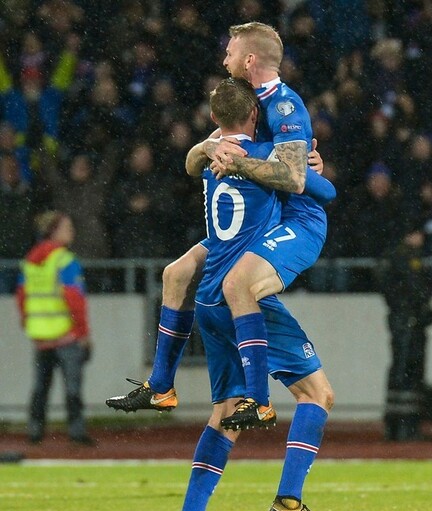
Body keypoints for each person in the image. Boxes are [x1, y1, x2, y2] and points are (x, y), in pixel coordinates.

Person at [107, 22, 326, 431]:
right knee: (175, 274)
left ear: (249, 59)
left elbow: (297, 180)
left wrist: (241, 162)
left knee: (236, 286)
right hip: (252, 223)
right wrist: (208, 147)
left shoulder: (284, 106)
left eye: (230, 52)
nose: (224, 60)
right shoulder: (241, 100)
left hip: (290, 222)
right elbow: (192, 164)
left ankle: (259, 399)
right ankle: (161, 387)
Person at [170, 77, 336, 511]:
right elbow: (315, 189)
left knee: (225, 411)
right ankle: (289, 503)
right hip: (242, 298)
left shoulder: (215, 154)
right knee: (317, 394)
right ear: (256, 114)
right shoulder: (263, 155)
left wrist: (208, 146)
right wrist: (309, 170)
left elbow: (192, 160)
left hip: (208, 295)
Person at [16, 211, 94, 446]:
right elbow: (75, 299)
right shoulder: (64, 260)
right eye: (67, 227)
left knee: (40, 387)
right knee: (72, 388)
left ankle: (35, 431)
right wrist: (83, 333)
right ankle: (76, 432)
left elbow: (22, 296)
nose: (72, 232)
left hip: (41, 336)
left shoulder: (30, 261)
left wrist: (28, 322)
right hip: (66, 334)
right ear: (53, 231)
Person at [381, 226, 432, 441]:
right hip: (407, 321)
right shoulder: (405, 258)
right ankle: (406, 426)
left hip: (405, 320)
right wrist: (414, 310)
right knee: (408, 370)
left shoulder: (400, 257)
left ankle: (397, 425)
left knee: (403, 370)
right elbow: (417, 289)